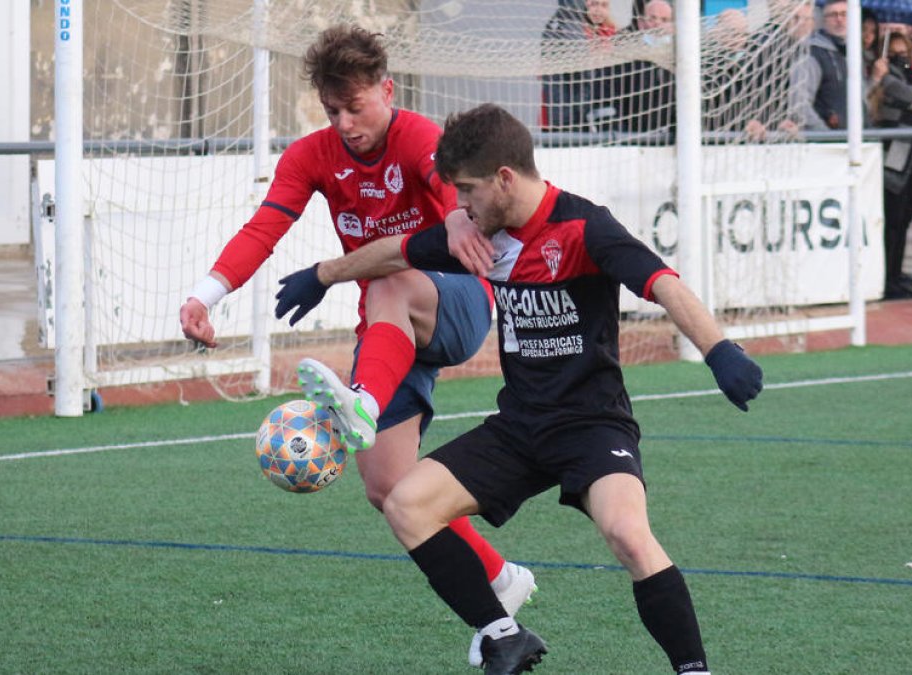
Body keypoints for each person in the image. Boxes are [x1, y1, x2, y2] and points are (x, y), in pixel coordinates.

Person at [275, 103, 765, 674]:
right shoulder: (483, 234)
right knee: (406, 503)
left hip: (592, 426)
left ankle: (693, 670)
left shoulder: (586, 226)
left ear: (504, 178)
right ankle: (501, 633)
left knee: (628, 534)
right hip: (520, 427)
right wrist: (324, 273)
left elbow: (665, 285)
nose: (460, 206)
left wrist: (719, 351)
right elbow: (401, 250)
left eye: (467, 190)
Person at [176, 25, 535, 663]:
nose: (344, 122)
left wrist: (454, 214)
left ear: (387, 90)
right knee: (390, 490)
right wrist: (208, 294)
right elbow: (265, 225)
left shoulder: (419, 136)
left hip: (453, 304)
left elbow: (454, 191)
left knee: (390, 274)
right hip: (390, 327)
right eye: (332, 111)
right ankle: (501, 580)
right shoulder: (312, 155)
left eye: (356, 106)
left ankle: (361, 400)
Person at [870, 32, 912, 299]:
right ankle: (885, 278)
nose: (901, 58)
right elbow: (910, 96)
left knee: (905, 217)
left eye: (904, 53)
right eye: (895, 53)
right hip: (894, 153)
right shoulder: (882, 74)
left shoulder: (908, 73)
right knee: (892, 218)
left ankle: (896, 274)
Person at [541, 0, 620, 132]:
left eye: (604, 5)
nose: (598, 10)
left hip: (598, 112)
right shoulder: (566, 31)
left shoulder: (613, 34)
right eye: (593, 4)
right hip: (566, 111)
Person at [618, 0, 675, 136]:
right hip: (633, 135)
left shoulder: (683, 59)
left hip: (670, 137)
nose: (657, 24)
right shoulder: (626, 56)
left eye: (664, 20)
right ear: (641, 23)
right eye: (652, 18)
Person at [795, 0, 849, 130]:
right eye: (833, 15)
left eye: (844, 14)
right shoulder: (812, 53)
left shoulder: (851, 53)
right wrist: (825, 135)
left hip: (855, 139)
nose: (839, 19)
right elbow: (799, 105)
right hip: (828, 143)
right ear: (822, 20)